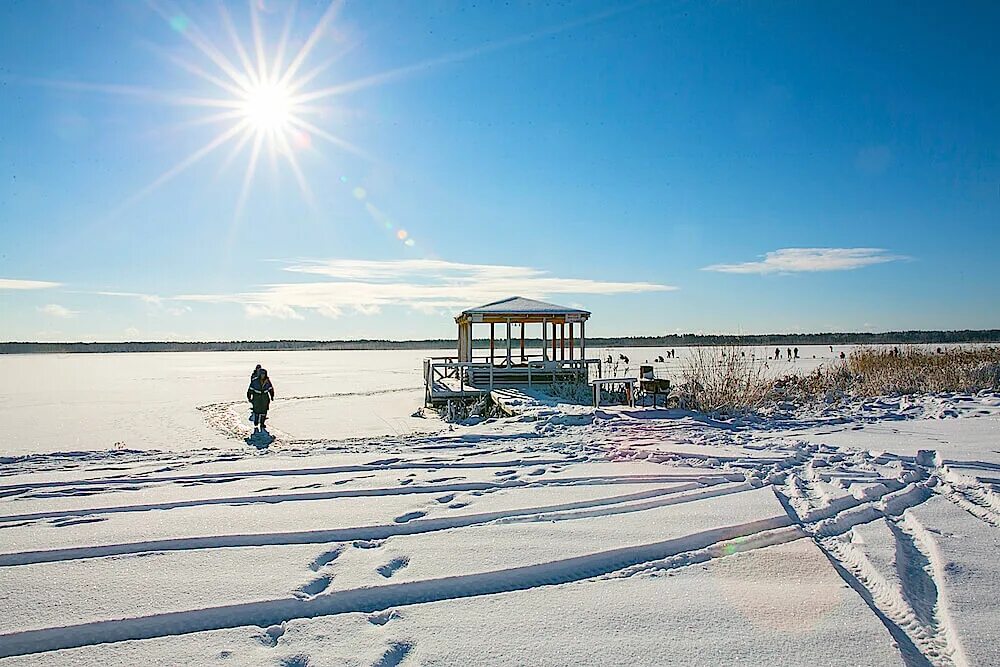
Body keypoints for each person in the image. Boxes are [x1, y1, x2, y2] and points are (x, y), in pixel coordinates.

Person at [247, 368, 275, 433]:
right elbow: (250, 389)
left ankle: (262, 423)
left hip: (265, 398)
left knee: (264, 411)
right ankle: (256, 422)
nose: (263, 375)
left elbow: (270, 389)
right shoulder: (255, 381)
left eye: (264, 374)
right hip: (257, 398)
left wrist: (272, 395)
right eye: (262, 374)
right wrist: (249, 397)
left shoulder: (267, 381)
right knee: (257, 410)